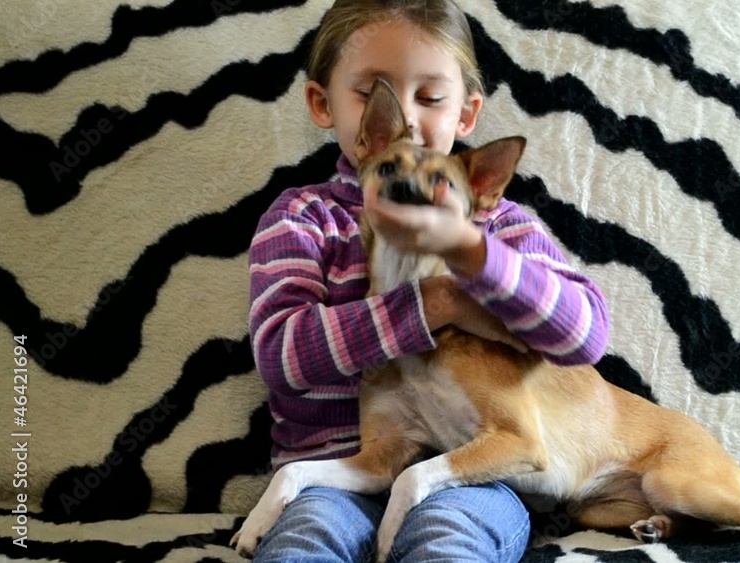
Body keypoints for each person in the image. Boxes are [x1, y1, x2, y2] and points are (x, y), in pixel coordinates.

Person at [247, 0, 610, 560]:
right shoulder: (302, 218)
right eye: (375, 94)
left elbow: (585, 335)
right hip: (334, 475)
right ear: (324, 104)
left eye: (431, 97)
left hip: (476, 476)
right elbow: (282, 357)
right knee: (304, 541)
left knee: (450, 542)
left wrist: (469, 250)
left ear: (466, 116)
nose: (407, 120)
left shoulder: (500, 225)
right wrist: (437, 304)